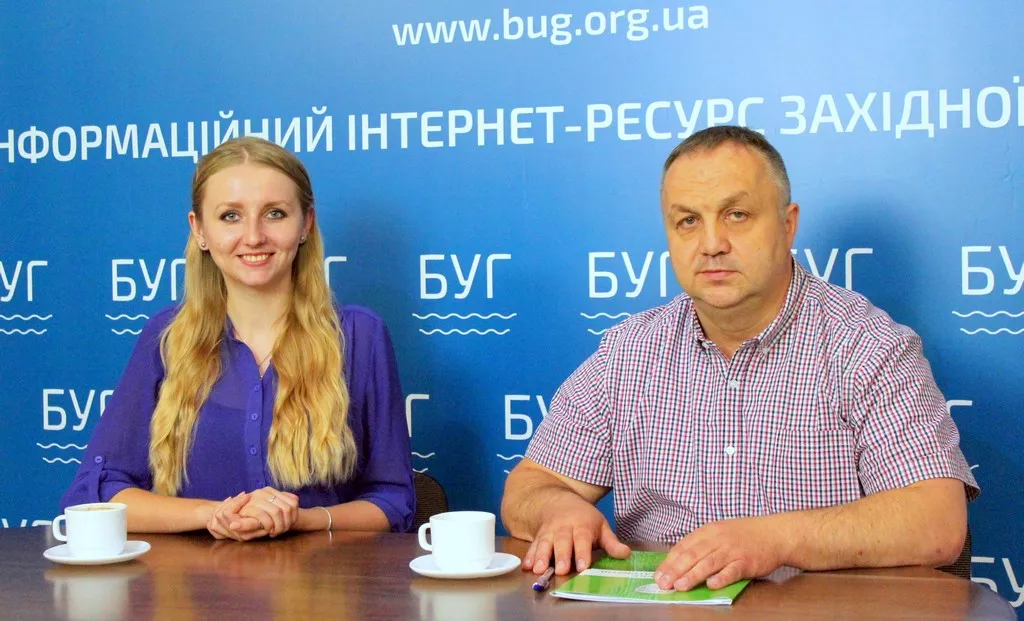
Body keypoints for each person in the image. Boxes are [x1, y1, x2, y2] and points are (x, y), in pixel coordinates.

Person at [501, 126, 978, 591]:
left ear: (788, 224)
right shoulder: (628, 352)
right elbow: (530, 485)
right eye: (688, 221)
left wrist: (775, 540)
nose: (712, 244)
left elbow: (935, 521)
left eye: (737, 215)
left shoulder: (867, 345)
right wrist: (558, 510)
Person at [61, 136, 415, 539]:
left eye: (275, 214)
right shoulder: (165, 338)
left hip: (322, 577)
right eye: (230, 216)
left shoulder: (360, 337)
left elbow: (394, 501)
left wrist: (301, 519)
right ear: (199, 230)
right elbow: (95, 497)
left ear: (306, 224)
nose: (253, 236)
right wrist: (214, 514)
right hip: (192, 578)